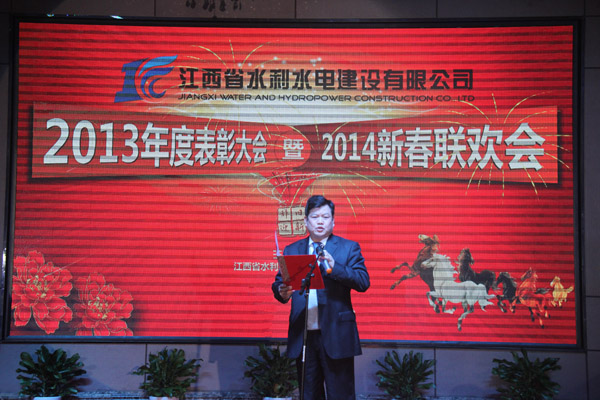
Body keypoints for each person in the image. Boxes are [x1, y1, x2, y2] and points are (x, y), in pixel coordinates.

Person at [272, 195, 370, 400]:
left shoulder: (348, 247)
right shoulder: (292, 249)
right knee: (309, 394)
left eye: (325, 217)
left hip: (337, 334)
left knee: (340, 395)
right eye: (315, 217)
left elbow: (363, 281)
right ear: (306, 221)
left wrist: (336, 268)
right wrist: (281, 291)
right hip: (304, 336)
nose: (320, 221)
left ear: (333, 222)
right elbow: (280, 282)